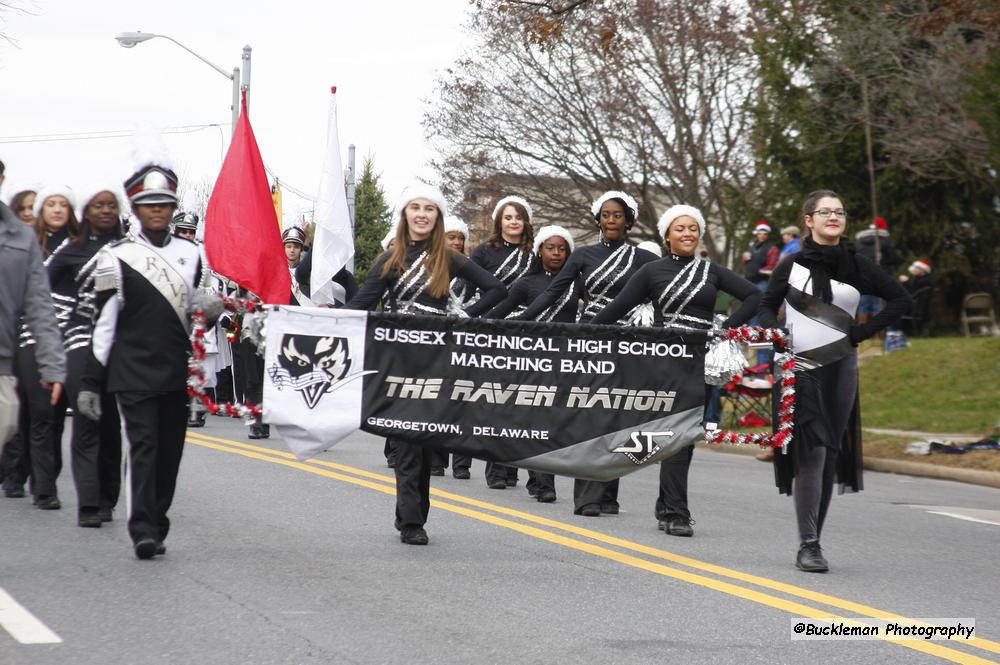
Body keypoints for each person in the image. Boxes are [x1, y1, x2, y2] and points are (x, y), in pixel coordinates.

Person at [345, 184, 506, 545]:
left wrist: (462, 320)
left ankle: (416, 514)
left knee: (424, 439)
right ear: (404, 215)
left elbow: (497, 289)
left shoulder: (447, 258)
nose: (421, 214)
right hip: (398, 361)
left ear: (437, 216)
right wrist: (310, 319)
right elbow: (361, 306)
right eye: (414, 207)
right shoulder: (390, 259)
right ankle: (411, 521)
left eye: (429, 208)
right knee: (405, 441)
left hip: (436, 361)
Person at [758, 190, 910, 573]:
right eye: (825, 212)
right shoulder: (791, 264)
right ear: (808, 220)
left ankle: (815, 539)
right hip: (797, 368)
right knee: (813, 451)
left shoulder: (858, 266)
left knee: (829, 455)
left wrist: (860, 335)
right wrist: (777, 334)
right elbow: (763, 306)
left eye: (839, 212)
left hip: (841, 367)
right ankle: (808, 545)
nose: (833, 217)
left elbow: (901, 300)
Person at [76, 159, 217, 559]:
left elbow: (198, 312)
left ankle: (158, 520)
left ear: (173, 208)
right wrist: (90, 380)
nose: (157, 210)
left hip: (176, 369)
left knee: (170, 452)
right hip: (131, 370)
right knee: (145, 445)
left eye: (164, 203)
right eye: (149, 203)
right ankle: (142, 529)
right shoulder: (115, 256)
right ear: (136, 208)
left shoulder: (192, 255)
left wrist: (211, 307)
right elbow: (104, 324)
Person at [592, 205, 760, 536]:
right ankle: (666, 505)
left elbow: (755, 296)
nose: (688, 234)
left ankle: (673, 509)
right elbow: (613, 311)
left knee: (685, 435)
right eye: (680, 228)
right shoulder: (652, 272)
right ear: (667, 235)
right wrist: (574, 337)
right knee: (670, 433)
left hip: (701, 362)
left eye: (693, 228)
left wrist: (726, 328)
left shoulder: (711, 271)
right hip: (664, 362)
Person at [516, 191, 659, 517]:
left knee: (620, 417)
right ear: (598, 220)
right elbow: (553, 293)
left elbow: (666, 288)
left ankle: (610, 493)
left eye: (618, 215)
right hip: (593, 341)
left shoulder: (644, 259)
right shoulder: (582, 256)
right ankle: (588, 497)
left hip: (629, 344)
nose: (611, 220)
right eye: (606, 215)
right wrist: (518, 323)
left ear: (629, 221)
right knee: (593, 416)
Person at [47, 185, 125, 526]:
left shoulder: (130, 250)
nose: (106, 211)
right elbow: (44, 295)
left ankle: (108, 497)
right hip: (80, 339)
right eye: (98, 206)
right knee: (85, 415)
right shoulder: (70, 250)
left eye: (111, 206)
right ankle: (89, 503)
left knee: (110, 423)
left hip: (119, 344)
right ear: (87, 212)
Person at [0, 195, 66, 502]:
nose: (28, 214)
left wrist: (52, 360)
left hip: (24, 346)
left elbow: (42, 305)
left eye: (31, 209)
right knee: (15, 416)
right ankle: (14, 475)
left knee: (28, 416)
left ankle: (38, 482)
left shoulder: (34, 243)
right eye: (22, 209)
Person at [470, 195, 536, 490]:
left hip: (529, 328)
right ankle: (496, 469)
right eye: (508, 217)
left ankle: (512, 467)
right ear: (499, 221)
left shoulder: (535, 254)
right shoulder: (485, 251)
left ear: (526, 222)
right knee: (498, 399)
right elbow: (467, 285)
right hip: (494, 327)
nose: (513, 222)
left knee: (523, 401)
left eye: (518, 217)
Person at [434, 215, 473, 479]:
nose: (457, 242)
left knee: (464, 402)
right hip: (438, 344)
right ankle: (436, 461)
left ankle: (462, 463)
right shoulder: (431, 270)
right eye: (452, 237)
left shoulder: (471, 271)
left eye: (461, 238)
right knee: (438, 401)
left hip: (466, 342)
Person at [854, 216, 897, 326]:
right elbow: (892, 258)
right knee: (879, 305)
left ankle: (862, 330)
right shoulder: (885, 241)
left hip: (863, 277)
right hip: (880, 276)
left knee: (864, 304)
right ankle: (878, 333)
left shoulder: (860, 241)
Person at [33, 185, 80, 257]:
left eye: (63, 205)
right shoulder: (28, 241)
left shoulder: (80, 240)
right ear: (41, 209)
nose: (57, 210)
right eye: (50, 205)